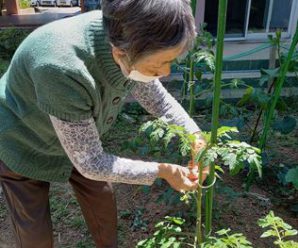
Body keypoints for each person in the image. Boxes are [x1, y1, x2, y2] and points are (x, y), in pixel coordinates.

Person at [0, 0, 209, 247]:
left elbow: (159, 100)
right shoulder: (60, 66)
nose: (165, 73)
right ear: (120, 53)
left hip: (79, 134)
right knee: (34, 231)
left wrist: (194, 134)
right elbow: (91, 163)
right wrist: (163, 171)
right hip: (23, 137)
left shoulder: (127, 32)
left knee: (102, 200)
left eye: (169, 61)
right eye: (158, 65)